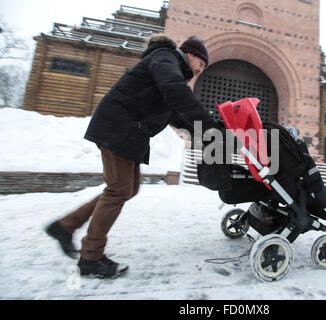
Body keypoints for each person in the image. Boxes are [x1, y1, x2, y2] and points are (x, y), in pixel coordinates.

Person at [45, 34, 217, 279]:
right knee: (118, 190)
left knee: (126, 189)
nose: (201, 69)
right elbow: (174, 91)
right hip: (118, 128)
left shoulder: (169, 70)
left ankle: (64, 226)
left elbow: (176, 115)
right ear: (191, 54)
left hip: (125, 132)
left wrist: (209, 132)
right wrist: (209, 124)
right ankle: (90, 258)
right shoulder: (165, 58)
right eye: (202, 63)